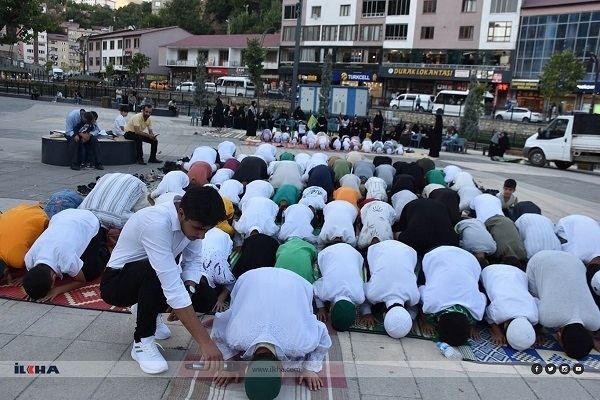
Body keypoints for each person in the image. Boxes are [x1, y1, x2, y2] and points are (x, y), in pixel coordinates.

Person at [100, 186, 227, 374]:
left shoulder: (192, 219)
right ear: (181, 213)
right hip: (117, 283)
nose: (201, 235)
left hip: (153, 278)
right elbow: (170, 284)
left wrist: (189, 290)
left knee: (206, 297)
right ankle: (142, 342)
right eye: (198, 229)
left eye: (206, 230)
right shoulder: (156, 223)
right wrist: (205, 342)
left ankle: (146, 309)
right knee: (155, 272)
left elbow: (192, 262)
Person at [211, 268, 331, 397]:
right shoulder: (235, 338)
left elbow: (323, 335)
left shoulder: (299, 345)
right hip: (251, 278)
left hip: (295, 282)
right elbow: (217, 330)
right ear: (246, 370)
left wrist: (309, 368)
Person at [23, 209, 109, 302]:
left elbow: (81, 281)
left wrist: (57, 290)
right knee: (72, 267)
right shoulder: (29, 258)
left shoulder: (65, 258)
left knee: (89, 273)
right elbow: (35, 277)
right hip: (62, 215)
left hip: (89, 220)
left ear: (53, 277)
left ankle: (103, 244)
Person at [527, 250, 600, 359]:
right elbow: (531, 301)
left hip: (575, 261)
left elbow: (589, 331)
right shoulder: (548, 318)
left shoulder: (596, 321)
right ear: (558, 336)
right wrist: (534, 331)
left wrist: (590, 340)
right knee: (533, 295)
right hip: (540, 260)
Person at [418, 246, 487, 345]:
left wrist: (472, 327)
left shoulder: (477, 310)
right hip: (437, 254)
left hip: (469, 259)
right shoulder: (432, 302)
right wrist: (425, 321)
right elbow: (420, 289)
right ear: (439, 319)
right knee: (421, 283)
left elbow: (482, 297)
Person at [360, 241, 420, 338]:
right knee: (375, 306)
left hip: (408, 251)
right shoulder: (374, 293)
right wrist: (367, 313)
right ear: (384, 315)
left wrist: (410, 319)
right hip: (377, 249)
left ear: (384, 315)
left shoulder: (414, 296)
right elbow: (362, 296)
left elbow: (414, 308)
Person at [480, 264, 538, 350]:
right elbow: (488, 316)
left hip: (518, 273)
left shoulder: (534, 316)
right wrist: (497, 333)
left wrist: (530, 335)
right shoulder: (499, 312)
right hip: (490, 271)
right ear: (505, 325)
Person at [314, 243, 366, 331]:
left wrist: (321, 309)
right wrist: (321, 309)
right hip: (328, 252)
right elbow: (314, 287)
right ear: (330, 309)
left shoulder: (360, 297)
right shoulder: (325, 293)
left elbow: (314, 288)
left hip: (354, 253)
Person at [79, 173, 149, 229]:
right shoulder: (118, 219)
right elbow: (140, 219)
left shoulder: (80, 213)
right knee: (140, 219)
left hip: (108, 178)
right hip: (109, 178)